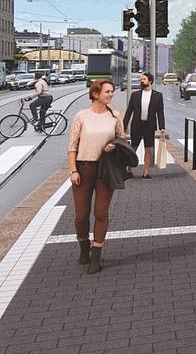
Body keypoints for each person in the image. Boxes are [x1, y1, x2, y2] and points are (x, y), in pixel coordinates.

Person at [68, 79, 126, 274]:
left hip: (105, 168)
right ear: (95, 94)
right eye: (107, 92)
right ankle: (84, 246)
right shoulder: (81, 116)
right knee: (82, 215)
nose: (110, 95)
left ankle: (96, 256)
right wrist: (73, 170)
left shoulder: (115, 115)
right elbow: (72, 146)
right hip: (83, 168)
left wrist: (114, 146)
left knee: (101, 213)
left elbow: (122, 140)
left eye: (112, 92)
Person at [122, 72, 166, 179]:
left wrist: (162, 127)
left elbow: (160, 112)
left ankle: (146, 171)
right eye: (141, 79)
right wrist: (124, 127)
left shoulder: (158, 96)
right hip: (136, 125)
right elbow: (129, 112)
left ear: (150, 81)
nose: (141, 80)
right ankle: (128, 169)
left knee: (148, 148)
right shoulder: (135, 95)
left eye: (144, 79)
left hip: (149, 126)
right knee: (133, 148)